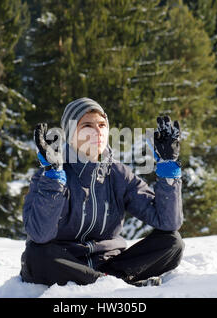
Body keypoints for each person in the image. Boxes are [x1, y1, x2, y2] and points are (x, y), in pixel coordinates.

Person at [20, 97, 185, 287]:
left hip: (110, 264)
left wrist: (168, 169)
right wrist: (54, 178)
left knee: (172, 243)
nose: (97, 131)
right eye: (87, 125)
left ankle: (106, 281)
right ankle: (112, 284)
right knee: (36, 254)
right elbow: (40, 234)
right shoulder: (50, 174)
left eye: (102, 124)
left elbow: (168, 222)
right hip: (64, 263)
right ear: (71, 134)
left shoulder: (118, 174)